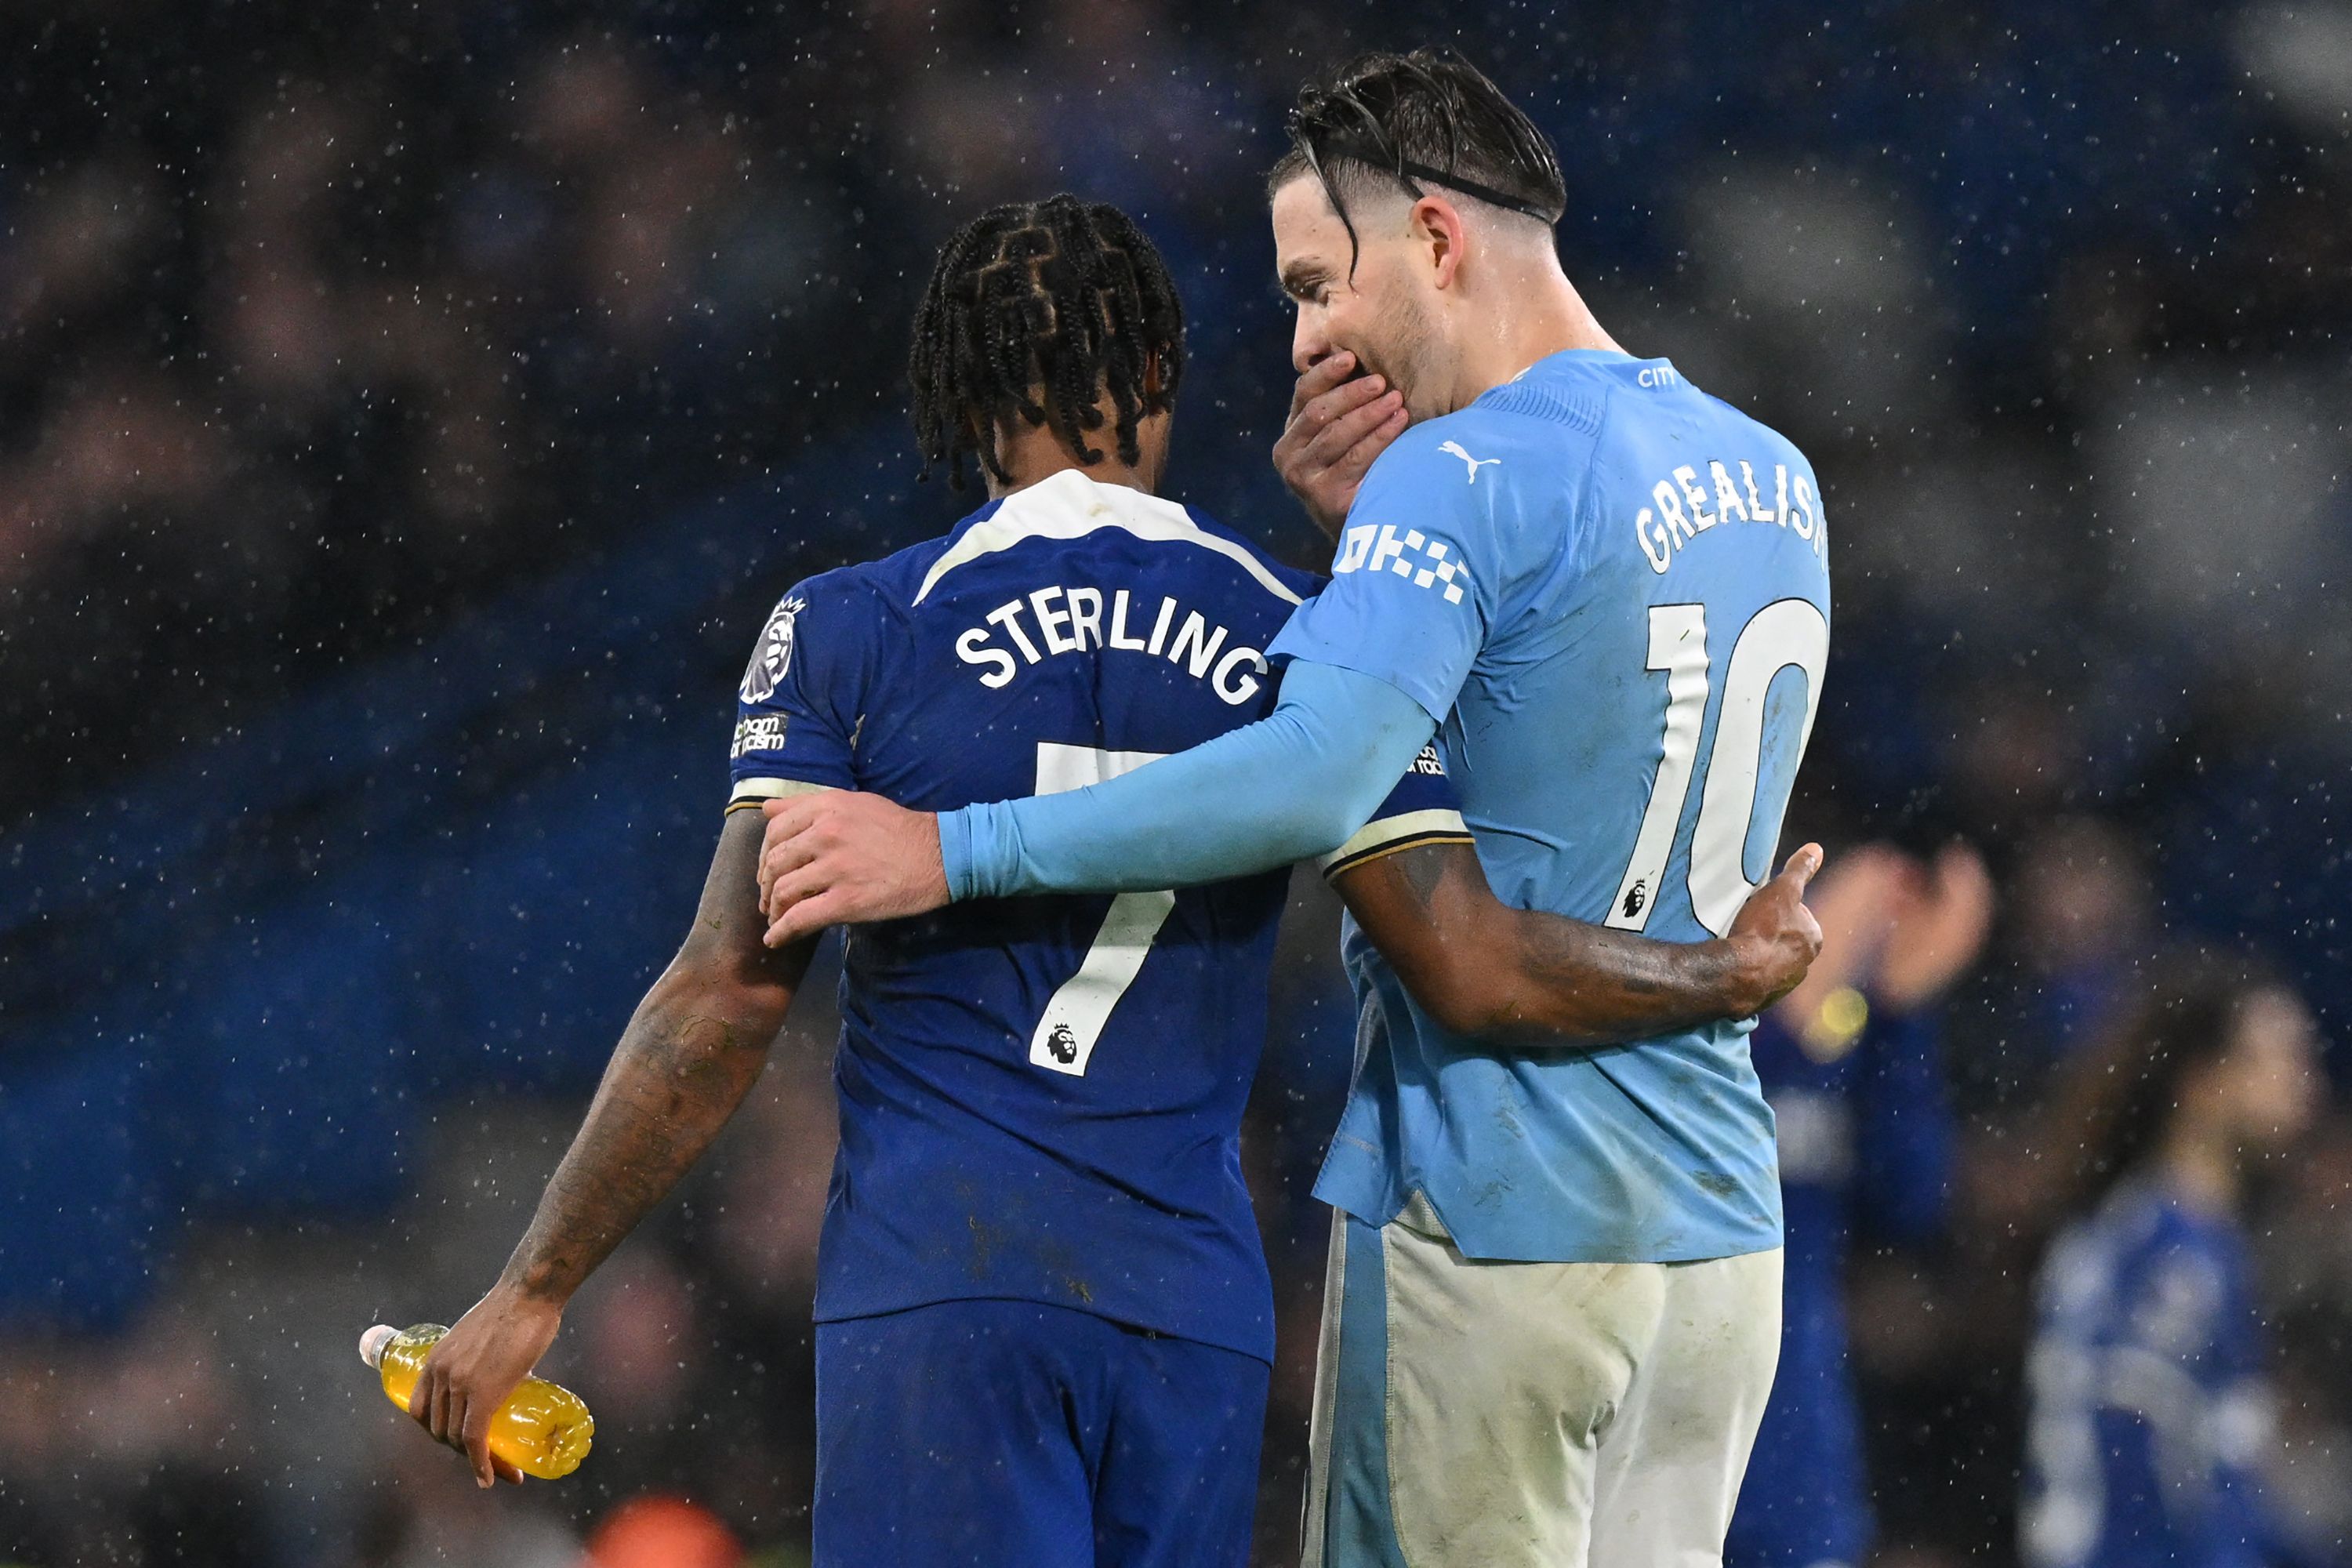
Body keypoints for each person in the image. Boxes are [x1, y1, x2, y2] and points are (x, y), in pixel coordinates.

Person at [403, 194, 1823, 1566]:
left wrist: (533, 1289)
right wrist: (1722, 974)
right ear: (1157, 372)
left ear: (959, 406)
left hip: (943, 1286)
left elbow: (723, 998)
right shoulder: (1298, 630)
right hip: (1188, 1309)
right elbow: (1469, 958)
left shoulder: (851, 630)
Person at [754, 48, 1835, 1568]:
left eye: (1322, 284)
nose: (1316, 337)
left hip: (1500, 1208)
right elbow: (1550, 753)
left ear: (1439, 242)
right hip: (1718, 1223)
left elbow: (1319, 774)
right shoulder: (1770, 472)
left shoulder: (1453, 479)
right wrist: (1359, 565)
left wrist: (954, 846)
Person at [1727, 841, 1994, 1568]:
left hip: (1796, 1440)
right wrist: (1786, 1014)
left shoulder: (1856, 1041)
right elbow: (1685, 1145)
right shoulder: (1689, 1011)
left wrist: (1904, 1015)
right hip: (1667, 1405)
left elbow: (1913, 1202)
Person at [2023, 955, 2330, 1568]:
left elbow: (2221, 1479)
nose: (2305, 1081)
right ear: (2203, 1082)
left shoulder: (2195, 1242)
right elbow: (2130, 1471)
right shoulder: (2168, 1264)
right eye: (2278, 1057)